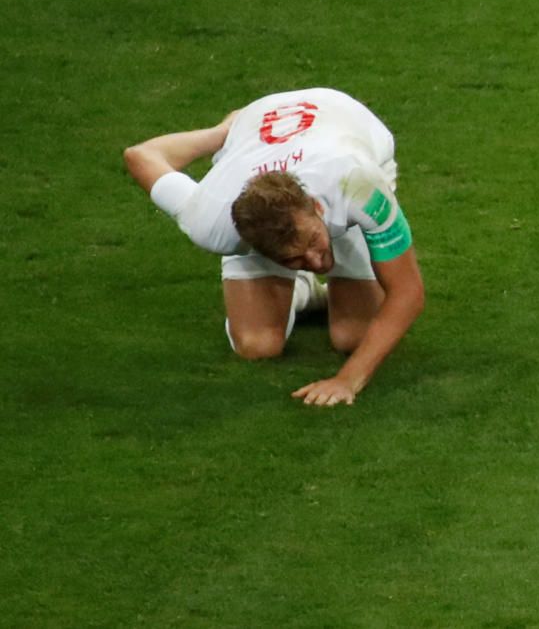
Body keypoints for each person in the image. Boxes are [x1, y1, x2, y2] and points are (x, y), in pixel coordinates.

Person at [123, 88, 424, 408]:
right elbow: (139, 156)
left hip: (341, 118)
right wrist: (224, 135)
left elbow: (408, 293)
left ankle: (335, 250)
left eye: (311, 243)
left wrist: (347, 380)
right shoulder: (212, 220)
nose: (314, 260)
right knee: (256, 345)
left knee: (356, 337)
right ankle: (303, 292)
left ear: (316, 208)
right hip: (264, 145)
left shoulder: (360, 184)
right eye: (292, 259)